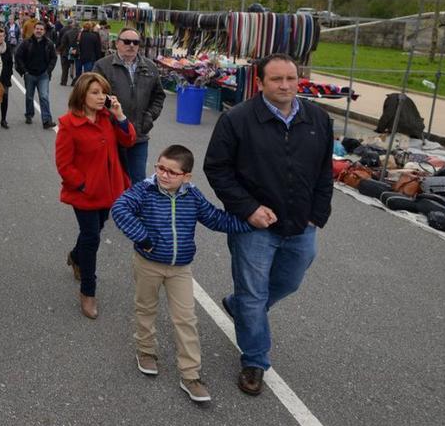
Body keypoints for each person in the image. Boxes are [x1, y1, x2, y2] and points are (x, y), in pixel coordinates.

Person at [203, 53, 334, 397]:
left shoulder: (317, 119)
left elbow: (324, 172)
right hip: (253, 228)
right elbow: (217, 168)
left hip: (301, 224)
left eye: (291, 78)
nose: (286, 85)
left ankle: (241, 307)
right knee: (253, 292)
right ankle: (255, 360)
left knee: (289, 281)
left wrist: (316, 215)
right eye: (277, 79)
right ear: (260, 82)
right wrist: (248, 209)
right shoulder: (238, 119)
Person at [111, 144, 266, 403]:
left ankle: (191, 375)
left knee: (186, 319)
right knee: (146, 308)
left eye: (172, 172)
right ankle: (146, 351)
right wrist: (144, 238)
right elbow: (119, 209)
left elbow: (217, 219)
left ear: (186, 177)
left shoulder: (192, 197)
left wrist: (250, 223)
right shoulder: (144, 190)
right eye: (160, 167)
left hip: (180, 269)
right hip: (148, 263)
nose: (164, 175)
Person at [55, 72, 136, 320]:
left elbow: (129, 140)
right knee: (92, 237)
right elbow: (64, 163)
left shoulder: (107, 118)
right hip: (86, 193)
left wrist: (120, 116)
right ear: (82, 94)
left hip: (109, 190)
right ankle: (88, 291)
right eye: (95, 92)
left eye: (103, 92)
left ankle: (75, 256)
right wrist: (83, 185)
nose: (101, 97)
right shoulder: (69, 124)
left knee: (97, 229)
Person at [92, 27, 166, 184]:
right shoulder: (102, 66)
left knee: (137, 181)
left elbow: (159, 96)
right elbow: (92, 96)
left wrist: (149, 117)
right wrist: (109, 119)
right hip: (110, 134)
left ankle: (133, 209)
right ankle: (113, 208)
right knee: (109, 178)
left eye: (135, 42)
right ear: (117, 43)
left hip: (138, 135)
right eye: (126, 41)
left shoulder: (150, 67)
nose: (131, 45)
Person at [14, 21, 58, 129]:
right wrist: (24, 71)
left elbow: (54, 57)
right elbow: (18, 56)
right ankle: (29, 114)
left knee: (44, 97)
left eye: (41, 29)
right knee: (29, 96)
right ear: (34, 30)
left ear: (44, 31)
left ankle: (47, 120)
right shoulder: (26, 43)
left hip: (43, 75)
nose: (39, 31)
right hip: (30, 74)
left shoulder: (49, 43)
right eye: (37, 29)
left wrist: (48, 71)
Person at [58, 20, 79, 86]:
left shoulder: (67, 33)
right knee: (76, 68)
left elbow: (63, 43)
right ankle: (74, 82)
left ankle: (63, 81)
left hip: (66, 52)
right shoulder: (80, 33)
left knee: (65, 68)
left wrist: (60, 50)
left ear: (73, 25)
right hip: (77, 52)